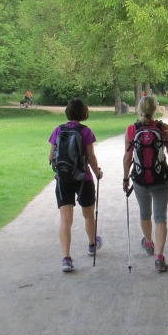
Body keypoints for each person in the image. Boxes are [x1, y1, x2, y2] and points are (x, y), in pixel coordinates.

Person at [123, 95, 168, 272]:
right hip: (161, 177)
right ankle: (159, 257)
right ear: (156, 109)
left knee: (145, 213)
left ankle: (148, 243)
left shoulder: (132, 129)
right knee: (160, 217)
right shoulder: (164, 128)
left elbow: (127, 157)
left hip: (140, 180)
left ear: (139, 109)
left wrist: (126, 179)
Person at [48, 98, 104, 272]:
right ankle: (92, 244)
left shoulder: (58, 130)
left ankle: (66, 258)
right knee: (88, 214)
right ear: (84, 113)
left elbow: (51, 158)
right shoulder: (86, 131)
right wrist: (97, 172)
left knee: (65, 219)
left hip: (63, 179)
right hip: (83, 179)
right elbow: (91, 157)